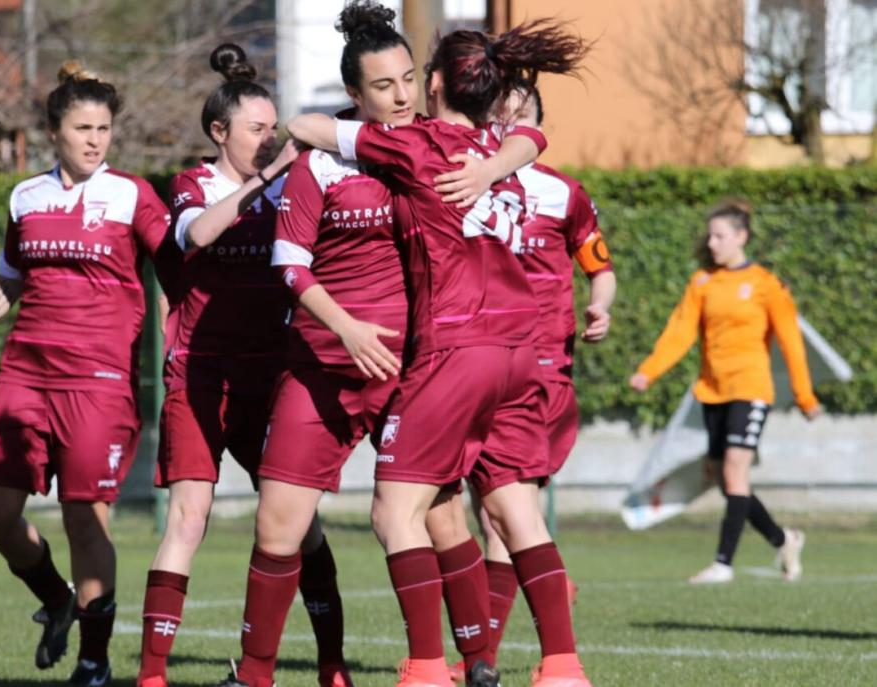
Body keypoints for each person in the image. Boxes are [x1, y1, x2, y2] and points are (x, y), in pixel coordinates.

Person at [219, 5, 523, 687]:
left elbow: (526, 136)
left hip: (416, 370)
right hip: (324, 366)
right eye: (383, 86)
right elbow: (291, 266)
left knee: (441, 516)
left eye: (410, 79)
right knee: (277, 523)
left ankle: (477, 664)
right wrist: (347, 328)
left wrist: (496, 163)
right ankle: (256, 673)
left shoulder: (439, 145)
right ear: (355, 98)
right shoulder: (323, 162)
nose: (402, 95)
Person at [289, 20, 593, 687]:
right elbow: (533, 134)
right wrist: (494, 161)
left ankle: (426, 666)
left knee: (394, 512)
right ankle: (563, 666)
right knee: (514, 507)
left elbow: (310, 128)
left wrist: (313, 130)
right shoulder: (502, 150)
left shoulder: (417, 143)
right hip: (523, 351)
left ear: (432, 85)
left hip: (458, 346)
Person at [0, 61, 178, 686]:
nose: (95, 140)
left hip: (99, 379)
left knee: (85, 515)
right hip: (25, 370)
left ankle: (95, 663)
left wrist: (182, 325)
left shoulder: (132, 194)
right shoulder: (26, 196)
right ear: (55, 131)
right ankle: (56, 599)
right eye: (83, 127)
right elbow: (12, 276)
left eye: (104, 128)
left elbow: (177, 262)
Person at [423, 83, 617, 680]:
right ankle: (491, 653)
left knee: (503, 515)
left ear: (535, 125)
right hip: (470, 360)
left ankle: (489, 658)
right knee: (487, 516)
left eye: (522, 113)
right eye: (501, 110)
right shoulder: (459, 176)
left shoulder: (562, 192)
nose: (509, 120)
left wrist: (599, 306)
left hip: (540, 370)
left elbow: (598, 265)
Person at [135, 44, 302, 687]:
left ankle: (331, 667)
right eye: (257, 130)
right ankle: (152, 676)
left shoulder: (293, 186)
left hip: (273, 377)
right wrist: (265, 180)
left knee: (296, 527)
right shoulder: (192, 184)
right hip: (200, 375)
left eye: (273, 129)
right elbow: (198, 236)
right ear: (219, 132)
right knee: (189, 519)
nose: (269, 140)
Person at [629, 199, 818, 584]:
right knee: (725, 477)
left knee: (734, 471)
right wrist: (649, 372)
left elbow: (791, 343)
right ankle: (785, 539)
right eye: (710, 236)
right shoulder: (702, 283)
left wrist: (804, 396)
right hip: (711, 392)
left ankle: (722, 564)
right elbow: (680, 331)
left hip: (750, 389)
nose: (712, 243)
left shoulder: (767, 285)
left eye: (720, 236)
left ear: (741, 236)